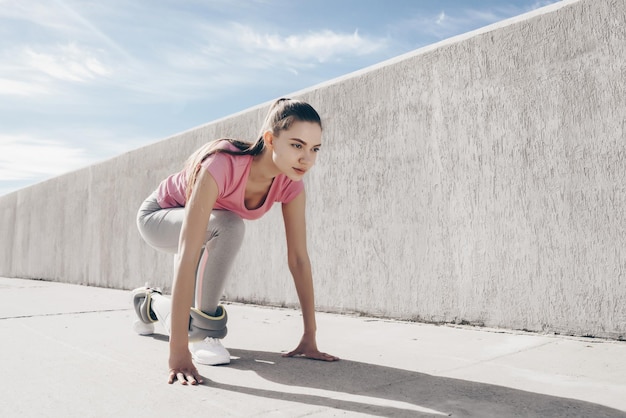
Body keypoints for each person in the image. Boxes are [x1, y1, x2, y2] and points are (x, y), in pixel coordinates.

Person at [133, 98, 339, 385]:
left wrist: (310, 336)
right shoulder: (221, 164)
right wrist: (178, 352)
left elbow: (299, 258)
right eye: (296, 145)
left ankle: (150, 304)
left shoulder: (291, 183)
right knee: (229, 225)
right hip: (157, 217)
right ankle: (206, 334)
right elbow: (187, 253)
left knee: (226, 225)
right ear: (270, 139)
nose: (307, 158)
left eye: (314, 148)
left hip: (207, 227)